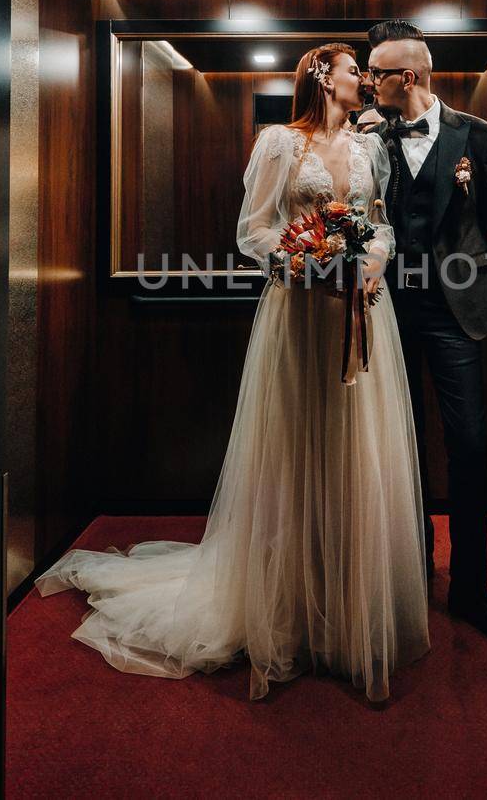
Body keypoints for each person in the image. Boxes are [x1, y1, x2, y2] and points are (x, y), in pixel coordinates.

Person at [36, 43, 430, 702]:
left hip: (360, 314)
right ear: (318, 77)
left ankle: (349, 616)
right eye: (352, 68)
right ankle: (283, 611)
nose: (363, 77)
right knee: (296, 450)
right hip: (299, 316)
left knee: (356, 455)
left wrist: (370, 262)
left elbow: (381, 225)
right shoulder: (279, 142)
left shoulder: (370, 149)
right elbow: (254, 231)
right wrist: (302, 263)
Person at [360, 19, 487, 654]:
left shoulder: (476, 136)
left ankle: (472, 589)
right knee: (401, 445)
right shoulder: (370, 135)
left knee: (470, 445)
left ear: (409, 77)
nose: (369, 84)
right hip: (388, 309)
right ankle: (410, 569)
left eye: (377, 75)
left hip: (458, 312)